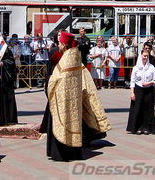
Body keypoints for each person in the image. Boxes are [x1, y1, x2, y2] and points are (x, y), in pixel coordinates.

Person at [47, 31, 111, 161]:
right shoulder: (74, 57)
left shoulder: (67, 61)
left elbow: (55, 80)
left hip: (62, 100)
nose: (58, 46)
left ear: (64, 45)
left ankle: (60, 153)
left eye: (60, 43)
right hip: (73, 100)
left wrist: (49, 88)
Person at [126, 49, 155, 135]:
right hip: (138, 89)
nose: (145, 58)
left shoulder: (151, 67)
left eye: (147, 56)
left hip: (148, 90)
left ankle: (146, 127)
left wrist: (149, 83)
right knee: (137, 108)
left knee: (147, 109)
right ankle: (137, 127)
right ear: (141, 56)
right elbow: (132, 81)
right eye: (144, 56)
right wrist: (132, 92)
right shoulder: (136, 68)